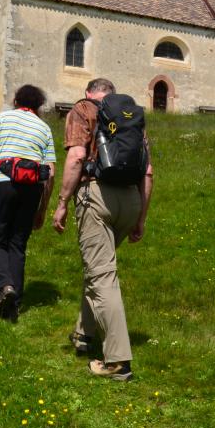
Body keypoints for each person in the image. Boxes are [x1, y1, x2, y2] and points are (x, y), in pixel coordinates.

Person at [52, 78, 153, 382]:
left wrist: (62, 202)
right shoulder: (132, 117)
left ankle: (118, 361)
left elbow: (77, 157)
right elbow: (147, 171)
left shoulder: (83, 109)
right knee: (99, 268)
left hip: (97, 195)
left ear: (89, 93)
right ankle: (83, 335)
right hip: (131, 200)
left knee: (102, 275)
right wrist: (141, 218)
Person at [0, 84, 56, 322]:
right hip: (32, 189)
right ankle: (14, 304)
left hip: (3, 183)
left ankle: (4, 286)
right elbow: (50, 172)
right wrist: (42, 207)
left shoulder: (3, 117)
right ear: (39, 105)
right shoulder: (45, 128)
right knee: (18, 244)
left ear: (16, 100)